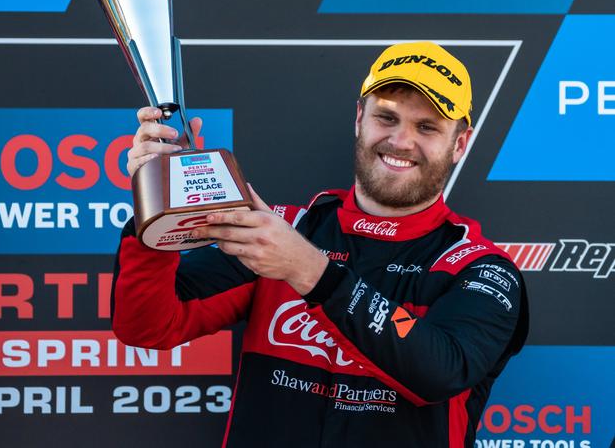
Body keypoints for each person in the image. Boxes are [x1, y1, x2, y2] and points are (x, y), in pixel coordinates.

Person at [112, 41, 528, 448]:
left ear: (459, 144)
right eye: (386, 118)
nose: (401, 141)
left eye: (426, 127)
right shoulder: (284, 228)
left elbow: (440, 371)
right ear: (359, 119)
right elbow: (149, 325)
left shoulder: (477, 267)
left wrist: (307, 269)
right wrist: (161, 207)